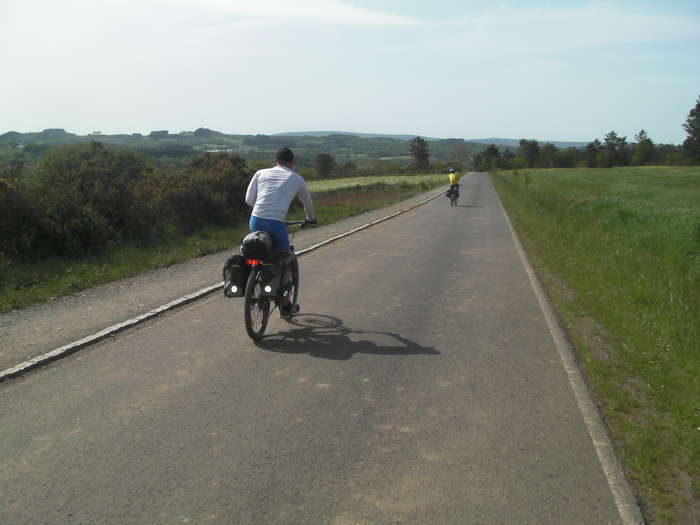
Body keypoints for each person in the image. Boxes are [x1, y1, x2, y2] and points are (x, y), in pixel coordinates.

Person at [245, 147, 316, 316]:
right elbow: (307, 203)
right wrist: (310, 219)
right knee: (285, 260)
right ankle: (285, 305)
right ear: (292, 162)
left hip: (254, 220)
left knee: (258, 251)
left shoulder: (260, 173)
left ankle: (253, 279)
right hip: (276, 224)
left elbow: (249, 200)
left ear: (275, 161)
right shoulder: (297, 178)